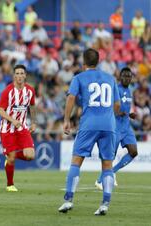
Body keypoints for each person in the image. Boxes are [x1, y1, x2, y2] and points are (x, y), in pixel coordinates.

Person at [58, 48, 121, 216]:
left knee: (76, 160)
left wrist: (66, 120)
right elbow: (117, 105)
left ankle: (68, 200)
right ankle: (105, 204)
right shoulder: (110, 79)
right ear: (98, 61)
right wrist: (108, 116)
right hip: (108, 125)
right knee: (107, 164)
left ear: (83, 62)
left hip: (89, 124)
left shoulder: (79, 78)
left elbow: (71, 97)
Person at [95, 67, 138, 189]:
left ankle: (112, 172)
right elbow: (108, 106)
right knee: (110, 156)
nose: (127, 78)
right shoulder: (115, 89)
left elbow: (124, 108)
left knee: (133, 152)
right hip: (115, 127)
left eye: (129, 76)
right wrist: (117, 113)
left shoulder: (130, 90)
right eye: (124, 76)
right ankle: (99, 180)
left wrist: (130, 114)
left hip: (126, 126)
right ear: (120, 77)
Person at [0, 64, 36, 192]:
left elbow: (32, 106)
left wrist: (34, 122)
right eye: (17, 73)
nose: (19, 76)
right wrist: (13, 120)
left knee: (30, 155)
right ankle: (10, 184)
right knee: (12, 158)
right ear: (14, 76)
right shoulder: (8, 91)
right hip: (7, 129)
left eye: (21, 73)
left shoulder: (30, 90)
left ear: (25, 75)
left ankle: (10, 157)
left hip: (22, 128)